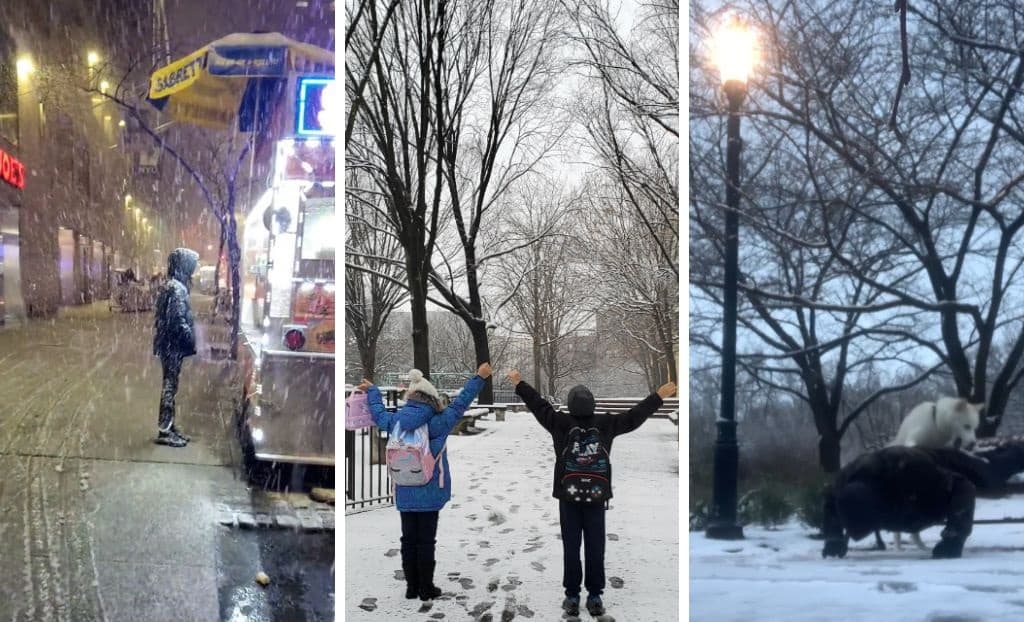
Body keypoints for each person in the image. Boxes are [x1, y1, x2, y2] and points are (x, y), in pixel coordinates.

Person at [506, 370, 676, 618]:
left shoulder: (559, 423)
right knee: (596, 547)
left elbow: (538, 405)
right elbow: (635, 417)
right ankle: (595, 596)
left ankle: (572, 596)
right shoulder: (606, 424)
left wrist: (520, 384)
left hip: (568, 497)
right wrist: (658, 397)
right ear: (593, 404)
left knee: (571, 547)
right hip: (596, 498)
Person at [358, 362, 492, 602]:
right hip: (429, 492)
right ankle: (426, 587)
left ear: (411, 398)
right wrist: (479, 378)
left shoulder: (396, 421)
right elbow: (462, 402)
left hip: (404, 489)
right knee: (426, 541)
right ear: (432, 399)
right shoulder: (438, 422)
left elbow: (377, 413)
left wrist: (373, 391)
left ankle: (411, 586)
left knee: (408, 539)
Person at [152, 248, 199, 447]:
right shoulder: (177, 289)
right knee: (170, 386)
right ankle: (165, 430)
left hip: (169, 345)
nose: (193, 271)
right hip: (173, 346)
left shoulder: (171, 286)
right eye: (191, 266)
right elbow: (177, 320)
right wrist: (190, 338)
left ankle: (169, 426)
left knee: (170, 385)